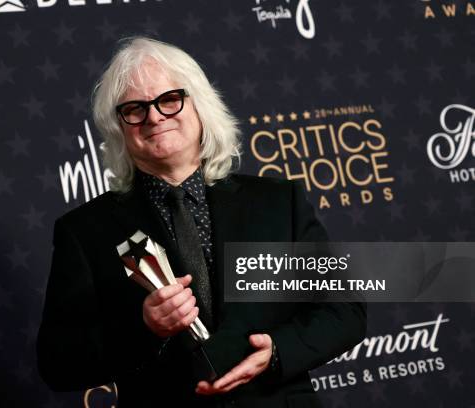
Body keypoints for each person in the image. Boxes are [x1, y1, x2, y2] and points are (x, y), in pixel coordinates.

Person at [37, 37, 366, 408]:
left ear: (201, 107)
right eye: (134, 108)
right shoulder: (85, 232)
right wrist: (144, 328)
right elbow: (57, 363)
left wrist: (276, 352)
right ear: (119, 129)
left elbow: (345, 310)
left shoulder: (277, 203)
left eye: (169, 99)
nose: (154, 117)